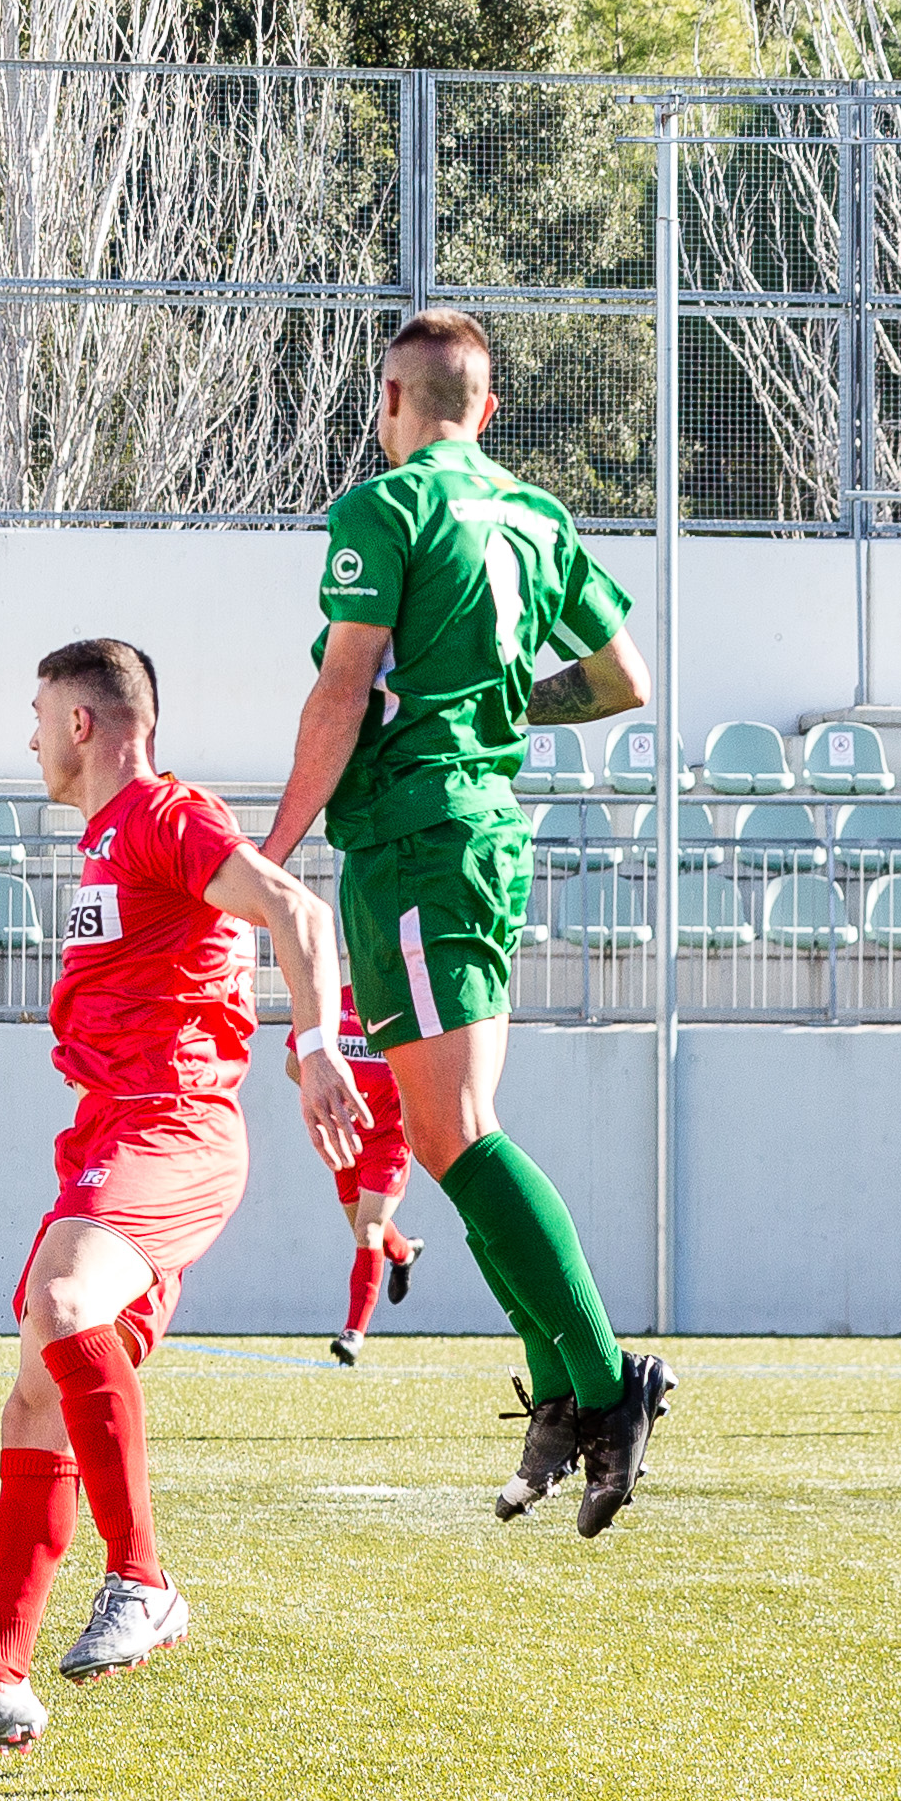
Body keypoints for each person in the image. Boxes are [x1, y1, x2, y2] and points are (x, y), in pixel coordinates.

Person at [0, 640, 368, 1771]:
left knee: (57, 1300)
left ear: (86, 723)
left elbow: (299, 911)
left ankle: (144, 1578)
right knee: (33, 1398)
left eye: (38, 713)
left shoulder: (158, 812)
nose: (30, 737)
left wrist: (314, 1048)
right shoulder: (110, 838)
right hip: (110, 1131)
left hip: (173, 1123)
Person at [259, 306, 676, 1537]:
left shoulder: (380, 510)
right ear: (484, 408)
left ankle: (606, 1384)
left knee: (453, 1137)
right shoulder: (538, 516)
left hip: (414, 836)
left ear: (392, 401)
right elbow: (620, 682)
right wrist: (499, 710)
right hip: (483, 828)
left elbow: (341, 694)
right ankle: (558, 1388)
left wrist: (270, 851)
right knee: (457, 1137)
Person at [314, 994, 420, 1366]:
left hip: (389, 1140)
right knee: (365, 1227)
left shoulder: (402, 1004)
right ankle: (404, 1253)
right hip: (344, 1135)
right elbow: (296, 1064)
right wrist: (328, 1089)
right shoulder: (330, 1003)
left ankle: (353, 1333)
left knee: (368, 1228)